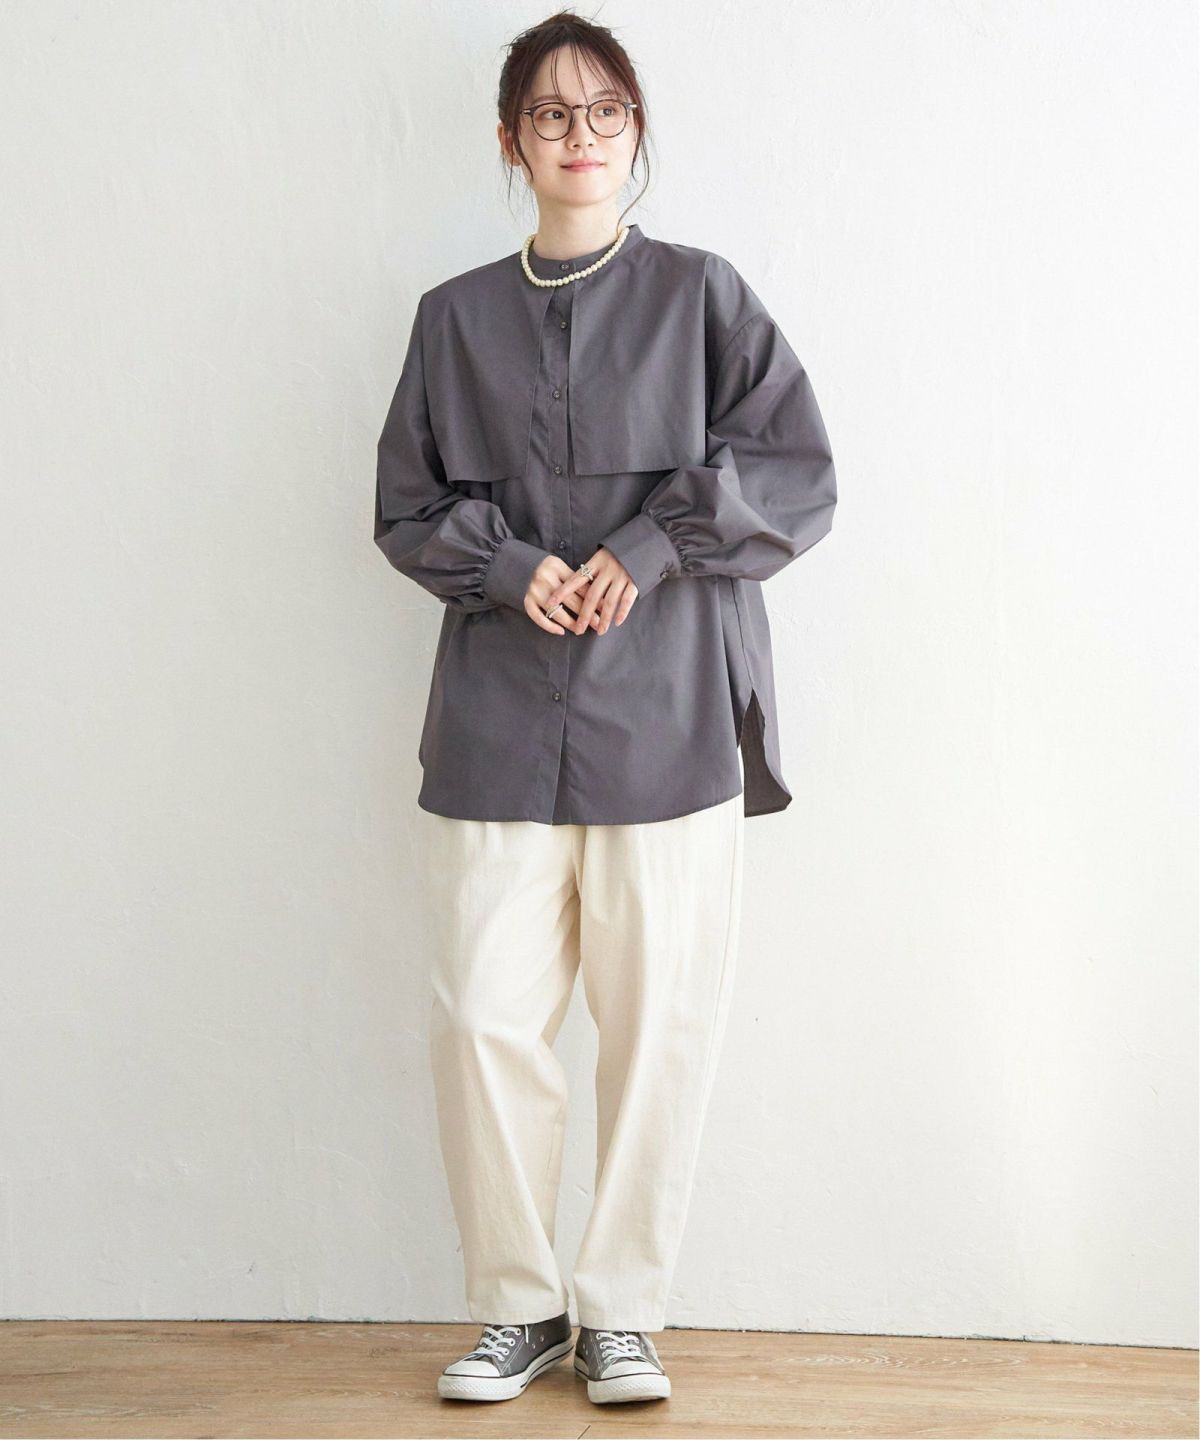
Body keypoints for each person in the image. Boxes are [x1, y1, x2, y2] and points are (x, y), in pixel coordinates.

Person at [373, 9, 837, 1407]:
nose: (580, 135)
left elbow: (794, 470)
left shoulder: (704, 297)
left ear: (636, 133)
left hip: (670, 714)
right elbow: (406, 505)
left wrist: (645, 549)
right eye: (551, 114)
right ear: (510, 141)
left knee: (658, 1029)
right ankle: (517, 1307)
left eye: (605, 111)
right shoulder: (452, 319)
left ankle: (622, 1311)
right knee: (481, 1018)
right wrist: (513, 570)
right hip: (497, 720)